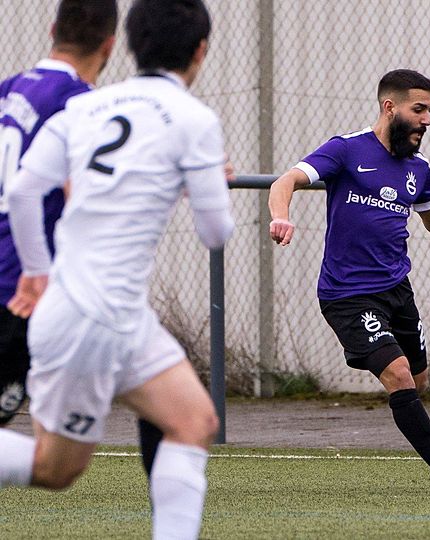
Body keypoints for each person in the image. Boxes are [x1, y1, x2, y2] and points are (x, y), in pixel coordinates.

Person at [0, 1, 233, 538]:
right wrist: (206, 180)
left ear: (127, 44)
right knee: (54, 468)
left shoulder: (84, 107)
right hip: (98, 318)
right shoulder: (194, 119)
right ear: (200, 50)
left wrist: (36, 272)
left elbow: (24, 192)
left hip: (102, 312)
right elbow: (215, 233)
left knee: (194, 421)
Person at [268, 69, 430, 493]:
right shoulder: (347, 150)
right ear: (390, 107)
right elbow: (286, 180)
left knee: (418, 381)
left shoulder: (417, 167)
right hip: (348, 294)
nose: (427, 120)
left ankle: (416, 426)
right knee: (400, 375)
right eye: (419, 109)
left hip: (397, 290)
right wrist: (281, 216)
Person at [0, 0, 165, 476]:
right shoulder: (80, 104)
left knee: (170, 405)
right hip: (23, 288)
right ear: (110, 46)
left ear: (53, 28)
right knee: (57, 464)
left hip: (24, 281)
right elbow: (85, 196)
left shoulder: (10, 89)